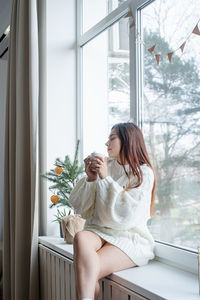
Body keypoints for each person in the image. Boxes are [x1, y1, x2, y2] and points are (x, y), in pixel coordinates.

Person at [69, 122, 156, 300]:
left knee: (87, 273)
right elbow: (80, 206)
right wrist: (91, 179)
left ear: (127, 140)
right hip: (101, 231)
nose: (107, 144)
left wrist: (105, 178)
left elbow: (125, 215)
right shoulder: (110, 165)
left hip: (129, 237)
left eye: (112, 138)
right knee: (81, 237)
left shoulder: (144, 173)